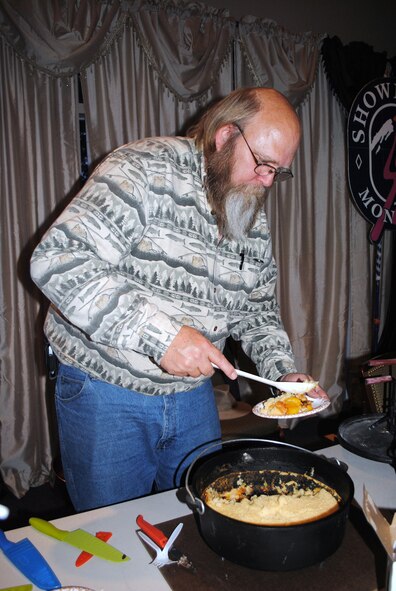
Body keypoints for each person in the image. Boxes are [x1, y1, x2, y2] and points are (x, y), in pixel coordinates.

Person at [30, 87, 329, 512]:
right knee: (113, 527)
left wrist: (282, 374)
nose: (267, 182)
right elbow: (58, 260)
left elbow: (257, 309)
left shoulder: (248, 209)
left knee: (198, 512)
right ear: (225, 136)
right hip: (106, 388)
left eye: (278, 172)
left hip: (191, 393)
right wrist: (162, 337)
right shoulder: (143, 168)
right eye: (263, 164)